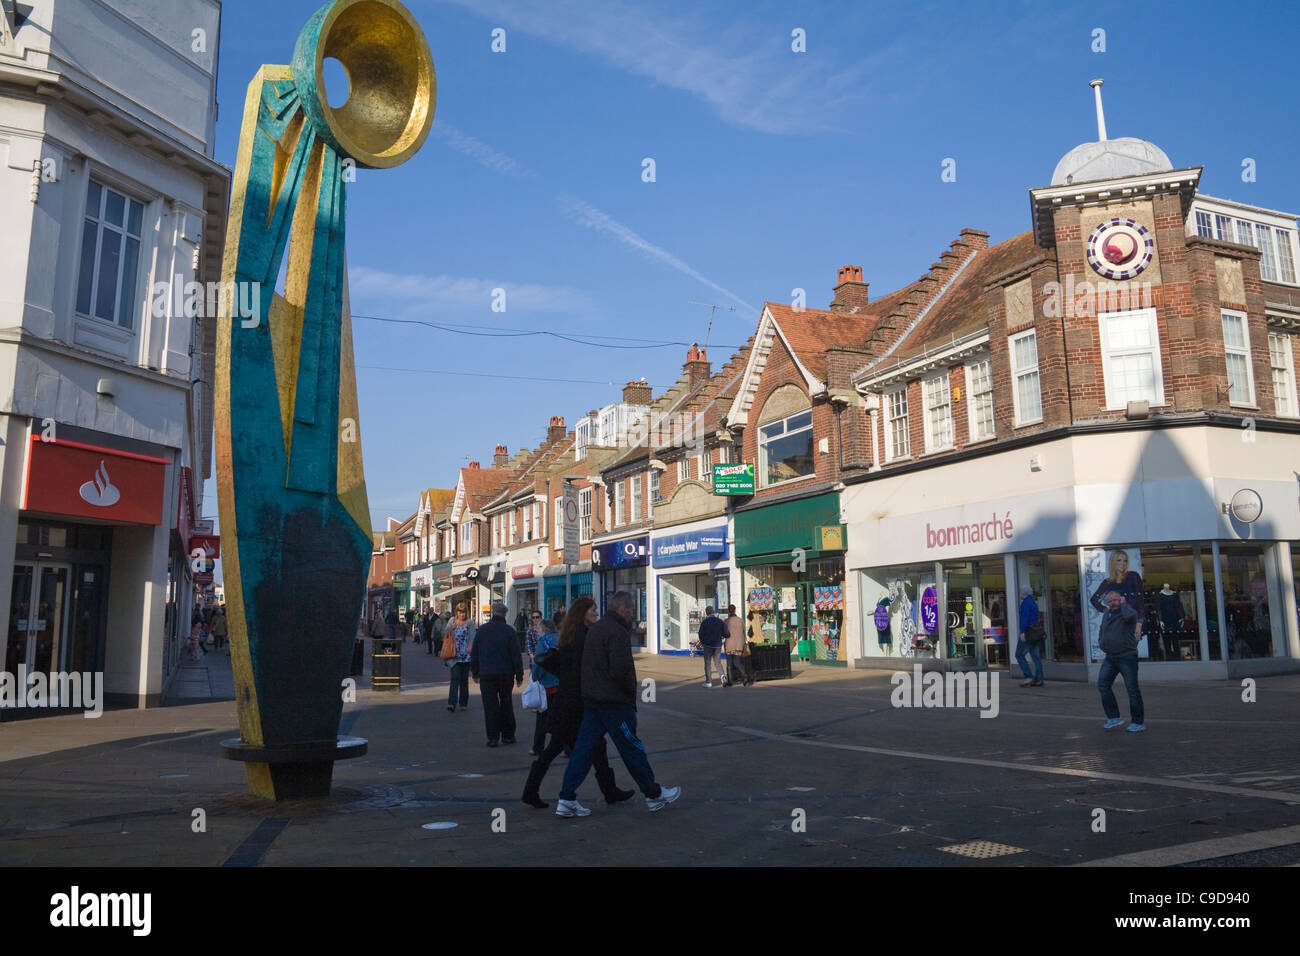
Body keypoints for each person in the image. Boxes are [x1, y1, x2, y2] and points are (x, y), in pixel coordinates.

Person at [554, 590, 680, 817]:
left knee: (583, 751)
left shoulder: (596, 630)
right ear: (623, 610)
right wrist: (628, 694)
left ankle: (566, 797)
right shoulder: (617, 633)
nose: (632, 614)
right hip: (613, 702)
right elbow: (620, 670)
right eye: (631, 610)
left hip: (593, 701)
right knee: (631, 747)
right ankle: (653, 793)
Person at [521, 597, 634, 809]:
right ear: (582, 613)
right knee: (571, 748)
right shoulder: (583, 637)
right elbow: (582, 671)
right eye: (593, 609)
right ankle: (555, 794)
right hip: (574, 704)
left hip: (570, 701)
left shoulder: (572, 635)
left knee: (588, 747)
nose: (597, 613)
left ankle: (608, 791)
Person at [470, 601, 524, 747]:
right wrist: (519, 675)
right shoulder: (510, 631)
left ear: (493, 612)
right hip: (506, 674)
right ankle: (508, 735)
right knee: (506, 703)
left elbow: (475, 653)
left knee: (490, 706)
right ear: (505, 614)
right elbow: (516, 655)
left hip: (487, 674)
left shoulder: (482, 630)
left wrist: (475, 672)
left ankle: (493, 737)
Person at [1097, 589, 1146, 732]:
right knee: (1103, 685)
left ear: (1121, 599)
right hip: (1110, 657)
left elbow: (1130, 617)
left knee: (1132, 690)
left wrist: (1124, 605)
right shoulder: (1107, 613)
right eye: (1110, 601)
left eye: (1115, 600)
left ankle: (1138, 722)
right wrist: (1102, 642)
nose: (1113, 603)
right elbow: (1102, 629)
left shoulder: (1128, 611)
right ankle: (1114, 717)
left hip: (1127, 657)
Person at [528, 618, 559, 755]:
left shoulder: (543, 642)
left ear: (544, 629)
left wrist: (535, 676)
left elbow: (540, 662)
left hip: (547, 684)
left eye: (538, 628)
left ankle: (537, 747)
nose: (536, 630)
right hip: (560, 683)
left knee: (542, 718)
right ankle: (566, 747)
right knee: (561, 717)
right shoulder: (559, 639)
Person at [1089, 550, 1144, 617]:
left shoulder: (1133, 576)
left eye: (1125, 561)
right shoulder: (1107, 582)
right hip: (1119, 620)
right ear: (1113, 562)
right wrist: (1107, 610)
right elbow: (1094, 600)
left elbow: (1140, 600)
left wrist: (1140, 620)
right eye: (1119, 560)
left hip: (1135, 618)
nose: (1122, 563)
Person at [445, 603, 475, 713]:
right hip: (454, 655)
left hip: (466, 656)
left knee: (464, 680)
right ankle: (452, 703)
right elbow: (445, 634)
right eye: (460, 612)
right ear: (456, 612)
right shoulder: (452, 621)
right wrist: (450, 629)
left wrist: (470, 646)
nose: (462, 614)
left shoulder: (470, 622)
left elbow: (473, 636)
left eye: (463, 612)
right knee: (454, 679)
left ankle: (463, 703)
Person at [1015, 585, 1044, 687]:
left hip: (1028, 633)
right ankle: (1039, 679)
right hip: (1035, 633)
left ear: (1024, 593)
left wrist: (1022, 632)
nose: (1020, 594)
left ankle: (1028, 677)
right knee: (1035, 657)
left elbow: (1024, 618)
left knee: (1019, 655)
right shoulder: (1033, 603)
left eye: (1021, 593)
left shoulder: (1025, 604)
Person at [698, 606, 727, 687]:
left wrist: (703, 642)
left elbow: (700, 634)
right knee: (717, 662)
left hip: (708, 645)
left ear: (707, 613)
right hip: (717, 645)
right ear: (713, 612)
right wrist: (721, 638)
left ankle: (708, 682)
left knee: (707, 663)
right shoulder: (720, 621)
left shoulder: (705, 622)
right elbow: (725, 633)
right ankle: (723, 677)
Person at [724, 604, 751, 687]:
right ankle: (745, 678)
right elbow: (743, 631)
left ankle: (730, 681)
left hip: (729, 645)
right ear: (735, 610)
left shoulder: (726, 621)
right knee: (737, 662)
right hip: (738, 645)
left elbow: (724, 633)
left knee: (729, 663)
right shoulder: (740, 620)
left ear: (729, 611)